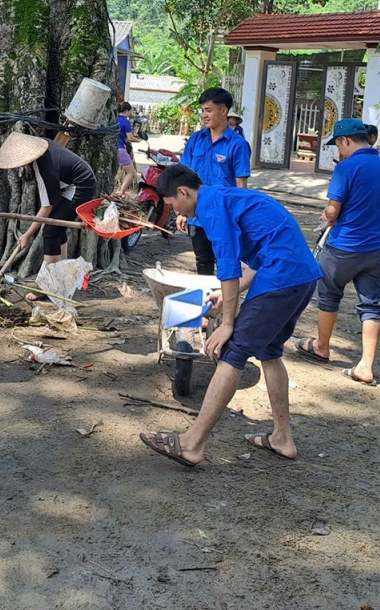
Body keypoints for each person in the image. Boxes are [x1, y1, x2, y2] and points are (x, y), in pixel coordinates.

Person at [138, 165, 322, 467]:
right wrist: (228, 295)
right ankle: (282, 438)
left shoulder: (212, 207)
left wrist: (227, 323)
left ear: (183, 192)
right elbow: (260, 256)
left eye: (172, 204)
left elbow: (228, 265)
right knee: (269, 352)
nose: (173, 212)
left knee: (232, 351)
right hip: (300, 276)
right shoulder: (224, 197)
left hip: (283, 276)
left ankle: (192, 443)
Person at [293, 119, 380, 385]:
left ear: (346, 141)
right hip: (376, 249)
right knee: (371, 305)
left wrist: (328, 217)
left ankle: (322, 347)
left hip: (344, 247)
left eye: (338, 145)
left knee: (328, 296)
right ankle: (366, 365)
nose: (339, 151)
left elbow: (332, 210)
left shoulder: (347, 168)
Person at [0, 132, 97, 267]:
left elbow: (47, 207)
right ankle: (62, 267)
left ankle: (52, 275)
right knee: (57, 225)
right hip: (72, 181)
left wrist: (27, 235)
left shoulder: (44, 170)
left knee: (50, 231)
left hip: (81, 186)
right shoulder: (43, 144)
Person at [177, 87, 252, 276]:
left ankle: (227, 303)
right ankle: (207, 303)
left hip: (224, 215)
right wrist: (181, 211)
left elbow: (241, 186)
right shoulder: (196, 139)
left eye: (208, 110)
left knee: (227, 264)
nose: (204, 115)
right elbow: (184, 176)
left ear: (224, 111)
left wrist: (240, 217)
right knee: (202, 261)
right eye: (202, 110)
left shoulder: (238, 144)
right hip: (197, 214)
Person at [114, 102, 143, 195]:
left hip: (113, 148)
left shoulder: (114, 119)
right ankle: (121, 191)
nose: (130, 113)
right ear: (126, 111)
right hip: (121, 148)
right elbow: (130, 138)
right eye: (130, 111)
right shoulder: (126, 122)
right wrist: (137, 140)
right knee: (131, 172)